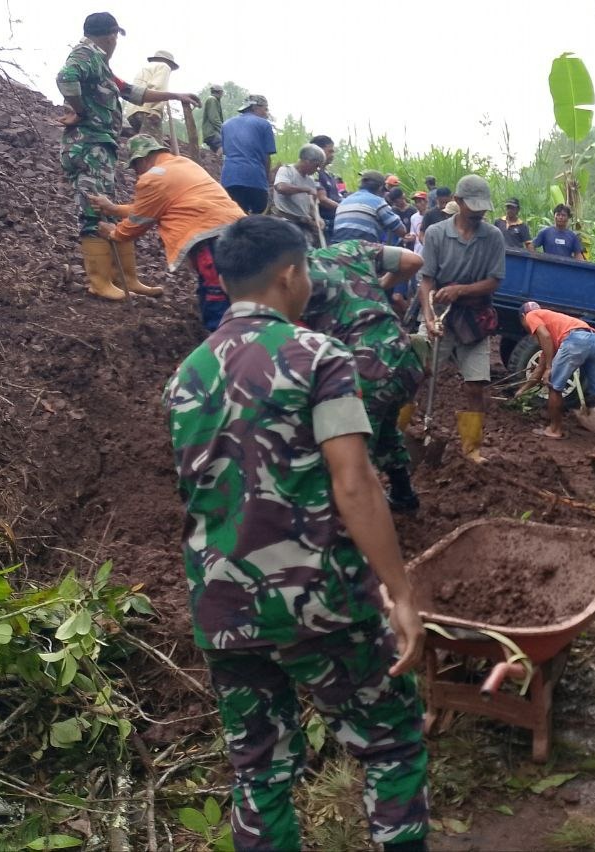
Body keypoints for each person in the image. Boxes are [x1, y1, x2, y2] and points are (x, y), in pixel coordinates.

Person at [163, 215, 429, 852]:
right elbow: (356, 482)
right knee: (390, 742)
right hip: (319, 602)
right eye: (307, 271)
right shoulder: (320, 357)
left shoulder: (186, 378)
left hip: (221, 608)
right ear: (290, 276)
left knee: (259, 769)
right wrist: (400, 591)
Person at [56, 13, 200, 302]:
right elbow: (65, 78)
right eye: (116, 38)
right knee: (95, 208)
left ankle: (126, 278)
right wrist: (80, 110)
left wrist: (174, 95)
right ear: (111, 36)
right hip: (87, 145)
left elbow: (132, 92)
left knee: (106, 207)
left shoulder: (102, 66)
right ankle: (99, 282)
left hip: (100, 146)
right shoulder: (85, 54)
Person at [304, 239, 425, 513]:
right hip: (404, 359)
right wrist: (380, 285)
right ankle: (404, 496)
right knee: (384, 429)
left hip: (364, 370)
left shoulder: (297, 277)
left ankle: (351, 528)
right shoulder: (352, 249)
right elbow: (414, 261)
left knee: (353, 451)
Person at [89, 135, 245, 331]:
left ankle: (223, 346)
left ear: (142, 159)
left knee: (216, 293)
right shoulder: (183, 165)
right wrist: (113, 209)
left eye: (135, 167)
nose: (137, 173)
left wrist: (114, 234)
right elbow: (154, 207)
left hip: (211, 237)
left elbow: (139, 221)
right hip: (239, 230)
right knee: (239, 288)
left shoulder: (153, 178)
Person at [418, 174, 506, 463]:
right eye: (473, 206)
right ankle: (410, 431)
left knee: (475, 384)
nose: (479, 212)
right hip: (439, 311)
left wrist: (460, 290)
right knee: (417, 372)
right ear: (457, 202)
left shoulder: (493, 236)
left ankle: (472, 448)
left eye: (483, 207)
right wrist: (430, 319)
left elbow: (494, 281)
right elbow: (426, 281)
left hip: (475, 316)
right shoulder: (436, 233)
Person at [516, 302, 595, 439]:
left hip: (574, 340)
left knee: (554, 386)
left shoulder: (531, 315)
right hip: (594, 339)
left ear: (523, 316)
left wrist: (550, 368)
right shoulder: (554, 328)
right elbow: (540, 368)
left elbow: (544, 336)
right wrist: (523, 390)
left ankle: (555, 429)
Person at [220, 94, 276, 214]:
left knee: (235, 217)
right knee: (256, 218)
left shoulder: (226, 125)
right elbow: (267, 157)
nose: (266, 113)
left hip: (229, 178)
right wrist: (266, 179)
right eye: (265, 109)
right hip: (254, 178)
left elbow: (226, 152)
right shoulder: (264, 125)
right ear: (255, 108)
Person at [332, 171, 408, 245]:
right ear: (380, 188)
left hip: (337, 246)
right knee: (413, 258)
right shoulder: (378, 201)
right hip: (360, 247)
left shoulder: (344, 201)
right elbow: (401, 231)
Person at [271, 144, 326, 247]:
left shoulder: (310, 180)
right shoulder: (286, 170)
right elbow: (281, 188)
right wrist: (305, 189)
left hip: (302, 225)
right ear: (307, 161)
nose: (317, 169)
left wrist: (318, 218)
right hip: (285, 222)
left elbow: (310, 207)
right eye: (316, 165)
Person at [122, 49, 179, 135]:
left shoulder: (145, 68)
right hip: (148, 110)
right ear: (170, 63)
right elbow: (158, 87)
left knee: (142, 142)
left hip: (132, 112)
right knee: (153, 145)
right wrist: (156, 110)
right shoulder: (164, 67)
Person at [310, 134, 343, 234]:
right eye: (330, 151)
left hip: (335, 220)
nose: (333, 155)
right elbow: (322, 199)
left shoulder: (329, 174)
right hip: (323, 222)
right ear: (318, 150)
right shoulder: (314, 173)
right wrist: (345, 208)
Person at [201, 85, 225, 153]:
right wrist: (223, 129)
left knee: (214, 150)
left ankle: (214, 162)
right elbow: (214, 119)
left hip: (211, 133)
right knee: (222, 146)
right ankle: (219, 162)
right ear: (219, 92)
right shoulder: (212, 99)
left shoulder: (214, 100)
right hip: (212, 132)